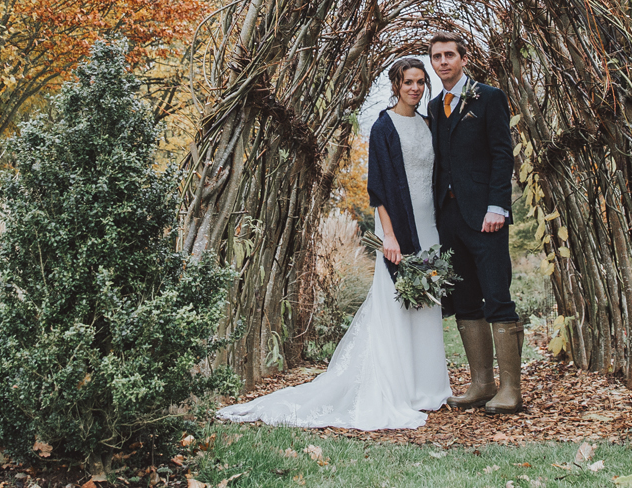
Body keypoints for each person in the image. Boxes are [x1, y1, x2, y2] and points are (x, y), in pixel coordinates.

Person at [215, 58, 452, 430]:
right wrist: (389, 236)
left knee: (424, 302)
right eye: (408, 82)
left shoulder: (428, 123)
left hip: (430, 224)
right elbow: (379, 190)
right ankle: (398, 387)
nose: (416, 89)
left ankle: (428, 388)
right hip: (400, 224)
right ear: (395, 84)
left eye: (421, 82)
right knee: (396, 301)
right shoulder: (383, 126)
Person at [427, 33, 524, 414]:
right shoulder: (435, 107)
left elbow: (503, 154)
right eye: (436, 57)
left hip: (486, 217)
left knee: (497, 297)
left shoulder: (490, 98)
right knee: (466, 301)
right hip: (448, 219)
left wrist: (498, 206)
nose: (443, 62)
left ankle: (511, 390)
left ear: (464, 59)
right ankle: (482, 384)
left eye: (450, 55)